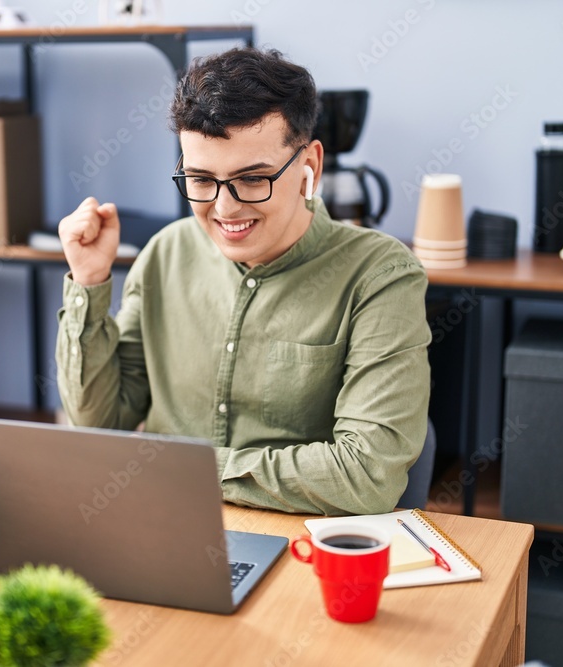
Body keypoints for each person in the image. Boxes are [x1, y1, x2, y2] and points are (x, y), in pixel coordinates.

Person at [55, 47, 431, 515]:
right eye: (201, 179)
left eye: (252, 179)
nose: (225, 208)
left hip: (300, 543)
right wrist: (90, 282)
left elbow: (366, 477)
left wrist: (188, 470)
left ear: (309, 167)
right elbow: (100, 423)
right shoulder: (166, 253)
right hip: (164, 524)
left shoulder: (380, 277)